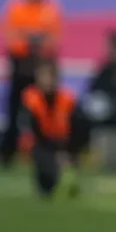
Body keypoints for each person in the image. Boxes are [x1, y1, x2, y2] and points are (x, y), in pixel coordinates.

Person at [1, 0, 63, 166]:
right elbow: (12, 37)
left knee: (45, 115)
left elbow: (53, 39)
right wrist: (33, 39)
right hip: (20, 68)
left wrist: (30, 38)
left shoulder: (51, 9)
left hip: (42, 69)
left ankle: (47, 153)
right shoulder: (16, 7)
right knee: (14, 111)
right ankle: (7, 153)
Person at [20, 60, 89, 198]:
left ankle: (68, 178)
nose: (49, 81)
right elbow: (33, 130)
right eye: (45, 76)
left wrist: (69, 149)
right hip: (42, 145)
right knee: (44, 160)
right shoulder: (31, 99)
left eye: (52, 76)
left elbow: (80, 128)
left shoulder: (67, 100)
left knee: (69, 164)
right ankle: (50, 180)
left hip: (65, 143)